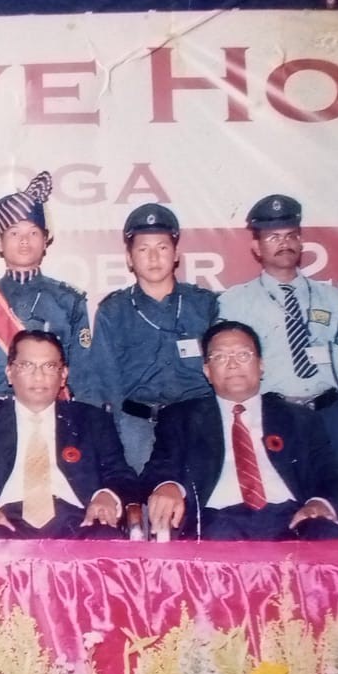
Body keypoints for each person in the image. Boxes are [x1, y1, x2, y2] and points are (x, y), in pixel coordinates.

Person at [141, 321, 338, 541]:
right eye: (220, 357)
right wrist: (168, 486)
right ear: (207, 371)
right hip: (216, 521)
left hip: (293, 519)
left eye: (243, 355)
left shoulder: (300, 419)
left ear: (261, 365)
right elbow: (159, 468)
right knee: (220, 534)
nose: (233, 364)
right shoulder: (181, 418)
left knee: (326, 534)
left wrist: (319, 503)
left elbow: (333, 477)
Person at [0, 330, 135, 539]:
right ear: (9, 373)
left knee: (107, 539)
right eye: (26, 365)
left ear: (63, 375)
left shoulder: (92, 420)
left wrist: (106, 496)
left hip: (80, 520)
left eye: (49, 366)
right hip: (1, 521)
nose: (38, 376)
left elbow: (122, 475)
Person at [215, 194, 338, 461]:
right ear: (256, 247)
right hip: (271, 416)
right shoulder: (234, 303)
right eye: (273, 238)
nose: (284, 244)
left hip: (328, 415)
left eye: (290, 236)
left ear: (300, 242)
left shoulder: (332, 299)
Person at [77, 203, 217, 473]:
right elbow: (103, 381)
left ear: (176, 254)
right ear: (129, 258)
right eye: (143, 249)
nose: (153, 257)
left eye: (162, 247)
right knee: (142, 495)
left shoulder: (204, 304)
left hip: (197, 422)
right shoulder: (113, 311)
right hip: (139, 428)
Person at [0, 170, 91, 412]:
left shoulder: (68, 300)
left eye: (33, 232)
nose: (24, 240)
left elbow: (83, 375)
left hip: (55, 413)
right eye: (14, 233)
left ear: (45, 240)